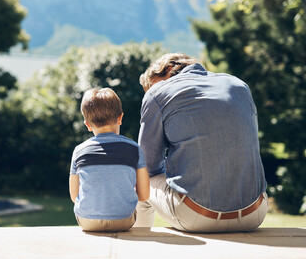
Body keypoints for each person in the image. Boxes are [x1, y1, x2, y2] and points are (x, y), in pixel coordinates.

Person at [134, 53, 268, 233]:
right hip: (255, 214)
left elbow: (148, 165)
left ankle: (139, 247)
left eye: (153, 85)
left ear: (167, 69)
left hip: (197, 217)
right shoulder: (239, 85)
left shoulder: (156, 94)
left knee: (141, 179)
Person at [69, 88, 150, 232]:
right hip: (124, 221)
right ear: (120, 118)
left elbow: (74, 196)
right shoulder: (134, 148)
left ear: (87, 124)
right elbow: (144, 196)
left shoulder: (79, 151)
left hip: (88, 222)